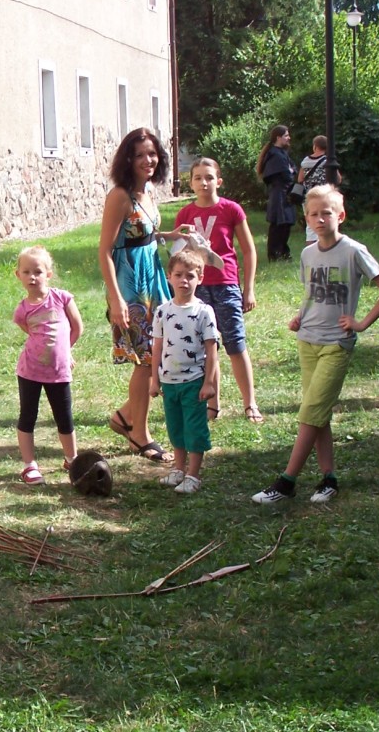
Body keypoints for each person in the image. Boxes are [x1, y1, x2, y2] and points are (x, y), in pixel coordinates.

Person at [252, 185, 379, 505]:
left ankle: (287, 482)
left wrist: (361, 323)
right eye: (313, 214)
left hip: (336, 343)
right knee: (318, 412)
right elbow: (312, 294)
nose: (320, 219)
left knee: (310, 411)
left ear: (340, 216)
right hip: (308, 341)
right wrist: (299, 316)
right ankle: (328, 478)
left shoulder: (354, 251)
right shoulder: (307, 254)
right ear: (305, 218)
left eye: (327, 213)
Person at [98, 127, 190, 463]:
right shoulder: (120, 196)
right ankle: (139, 432)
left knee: (158, 354)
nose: (147, 160)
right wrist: (116, 298)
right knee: (147, 359)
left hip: (153, 280)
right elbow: (105, 250)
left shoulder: (148, 190)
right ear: (127, 159)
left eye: (152, 153)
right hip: (131, 285)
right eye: (139, 155)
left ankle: (125, 417)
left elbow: (143, 233)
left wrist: (170, 234)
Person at [176, 157, 263, 423]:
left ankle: (250, 403)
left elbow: (248, 250)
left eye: (209, 177)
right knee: (206, 347)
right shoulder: (185, 214)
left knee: (235, 344)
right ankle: (213, 405)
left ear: (219, 181)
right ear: (191, 183)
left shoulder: (231, 209)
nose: (204, 182)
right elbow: (179, 253)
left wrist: (248, 289)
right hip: (198, 289)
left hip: (226, 285)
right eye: (198, 178)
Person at [149, 249, 219, 494]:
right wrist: (154, 379)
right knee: (176, 427)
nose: (184, 281)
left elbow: (212, 350)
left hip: (194, 381)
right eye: (178, 275)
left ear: (200, 278)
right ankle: (178, 469)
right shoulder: (162, 311)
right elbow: (157, 347)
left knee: (194, 428)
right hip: (169, 382)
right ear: (169, 276)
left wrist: (209, 383)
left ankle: (193, 475)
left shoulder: (204, 312)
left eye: (190, 275)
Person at [13, 245, 84, 484]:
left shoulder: (62, 298)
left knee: (64, 417)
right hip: (30, 371)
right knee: (28, 416)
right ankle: (29, 465)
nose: (32, 277)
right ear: (18, 275)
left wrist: (65, 351)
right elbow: (30, 331)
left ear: (48, 274)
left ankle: (72, 459)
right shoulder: (22, 310)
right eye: (26, 272)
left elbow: (77, 328)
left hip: (58, 372)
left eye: (38, 272)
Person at [256, 125, 296, 262]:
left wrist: (290, 172)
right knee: (278, 225)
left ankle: (283, 252)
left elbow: (293, 169)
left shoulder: (282, 153)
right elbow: (286, 174)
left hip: (285, 193)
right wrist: (290, 172)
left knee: (286, 224)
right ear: (278, 138)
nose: (288, 138)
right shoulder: (274, 155)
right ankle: (275, 254)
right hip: (279, 194)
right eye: (286, 135)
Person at [296, 135, 334, 248]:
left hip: (308, 197)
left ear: (315, 146)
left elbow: (300, 179)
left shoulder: (305, 161)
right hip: (323, 196)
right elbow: (337, 178)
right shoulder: (327, 161)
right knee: (324, 222)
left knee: (310, 225)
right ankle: (324, 247)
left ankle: (310, 250)